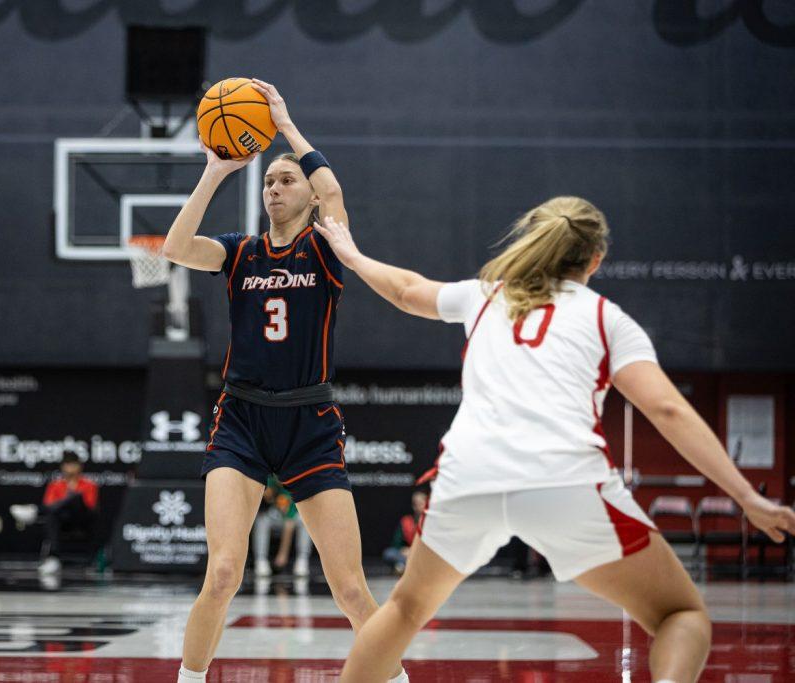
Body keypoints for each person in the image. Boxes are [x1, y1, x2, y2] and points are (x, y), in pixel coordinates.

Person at [311, 199, 795, 683]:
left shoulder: (485, 295)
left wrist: (351, 255)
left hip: (468, 479)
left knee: (404, 610)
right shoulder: (607, 319)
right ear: (595, 259)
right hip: (565, 482)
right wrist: (747, 497)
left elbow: (407, 289)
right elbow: (668, 409)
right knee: (681, 616)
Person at [162, 79, 407, 683]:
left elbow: (334, 189)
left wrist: (288, 127)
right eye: (269, 181)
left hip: (310, 423)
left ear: (305, 194)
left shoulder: (327, 249)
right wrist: (217, 171)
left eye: (286, 180)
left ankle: (397, 679)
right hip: (242, 419)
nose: (276, 188)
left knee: (349, 587)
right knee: (222, 573)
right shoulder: (240, 252)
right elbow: (173, 247)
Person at [38, 450, 99, 574]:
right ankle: (54, 557)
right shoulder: (55, 485)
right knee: (51, 516)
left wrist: (70, 498)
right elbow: (48, 506)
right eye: (67, 464)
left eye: (73, 464)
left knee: (76, 498)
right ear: (62, 467)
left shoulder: (89, 485)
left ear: (79, 466)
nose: (70, 468)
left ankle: (36, 510)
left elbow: (91, 507)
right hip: (63, 522)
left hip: (82, 521)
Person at [252, 475, 312, 577]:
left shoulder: (296, 479)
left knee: (305, 521)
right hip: (275, 515)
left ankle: (302, 560)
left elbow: (289, 522)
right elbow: (267, 496)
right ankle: (261, 560)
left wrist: (282, 554)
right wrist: (269, 491)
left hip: (293, 519)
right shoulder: (271, 477)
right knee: (262, 520)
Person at [383, 490, 428, 575]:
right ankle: (408, 567)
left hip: (423, 555)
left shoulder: (431, 522)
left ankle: (403, 567)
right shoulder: (406, 521)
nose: (418, 506)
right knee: (389, 553)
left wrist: (414, 551)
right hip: (407, 555)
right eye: (415, 504)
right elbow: (396, 544)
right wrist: (404, 550)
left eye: (421, 503)